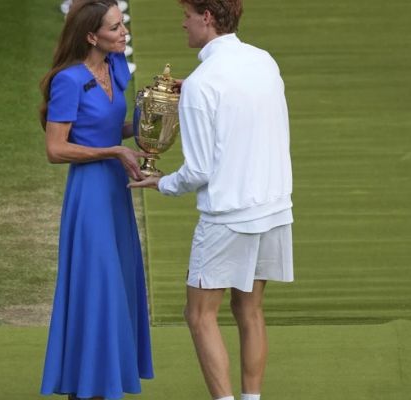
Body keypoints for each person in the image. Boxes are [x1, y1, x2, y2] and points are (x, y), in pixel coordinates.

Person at [128, 1, 293, 399]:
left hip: (227, 217)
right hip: (274, 209)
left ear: (206, 18)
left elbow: (199, 171)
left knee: (199, 315)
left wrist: (162, 183)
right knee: (248, 310)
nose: (182, 23)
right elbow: (240, 103)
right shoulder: (263, 61)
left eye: (186, 15)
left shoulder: (203, 85)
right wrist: (194, 90)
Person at [39, 1, 154, 399]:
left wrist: (155, 122)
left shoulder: (117, 68)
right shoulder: (68, 81)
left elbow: (109, 127)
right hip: (89, 195)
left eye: (122, 26)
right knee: (97, 286)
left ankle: (100, 385)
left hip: (115, 193)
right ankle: (84, 388)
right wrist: (113, 152)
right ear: (91, 36)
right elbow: (56, 148)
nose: (124, 33)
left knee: (116, 285)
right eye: (114, 28)